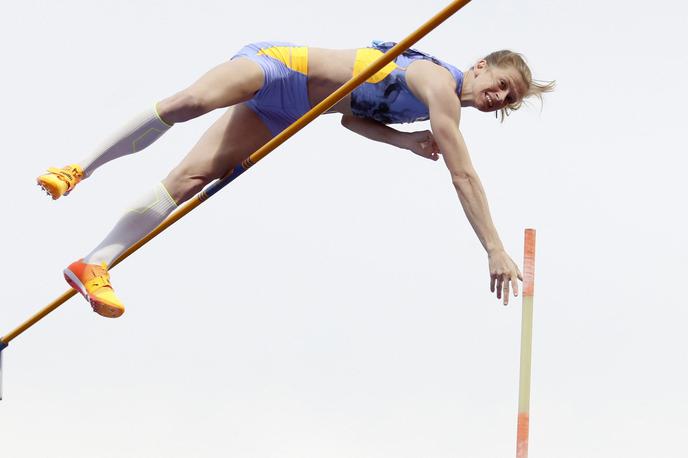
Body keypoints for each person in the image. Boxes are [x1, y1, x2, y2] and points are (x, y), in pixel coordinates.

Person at [37, 41, 554, 318]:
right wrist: (493, 247)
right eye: (503, 85)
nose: (500, 98)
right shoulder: (439, 85)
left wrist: (404, 141)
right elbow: (462, 172)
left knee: (190, 179)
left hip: (289, 111)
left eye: (509, 100)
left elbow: (353, 117)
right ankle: (78, 167)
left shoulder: (429, 106)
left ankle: (94, 263)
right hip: (280, 68)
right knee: (189, 102)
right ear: (481, 67)